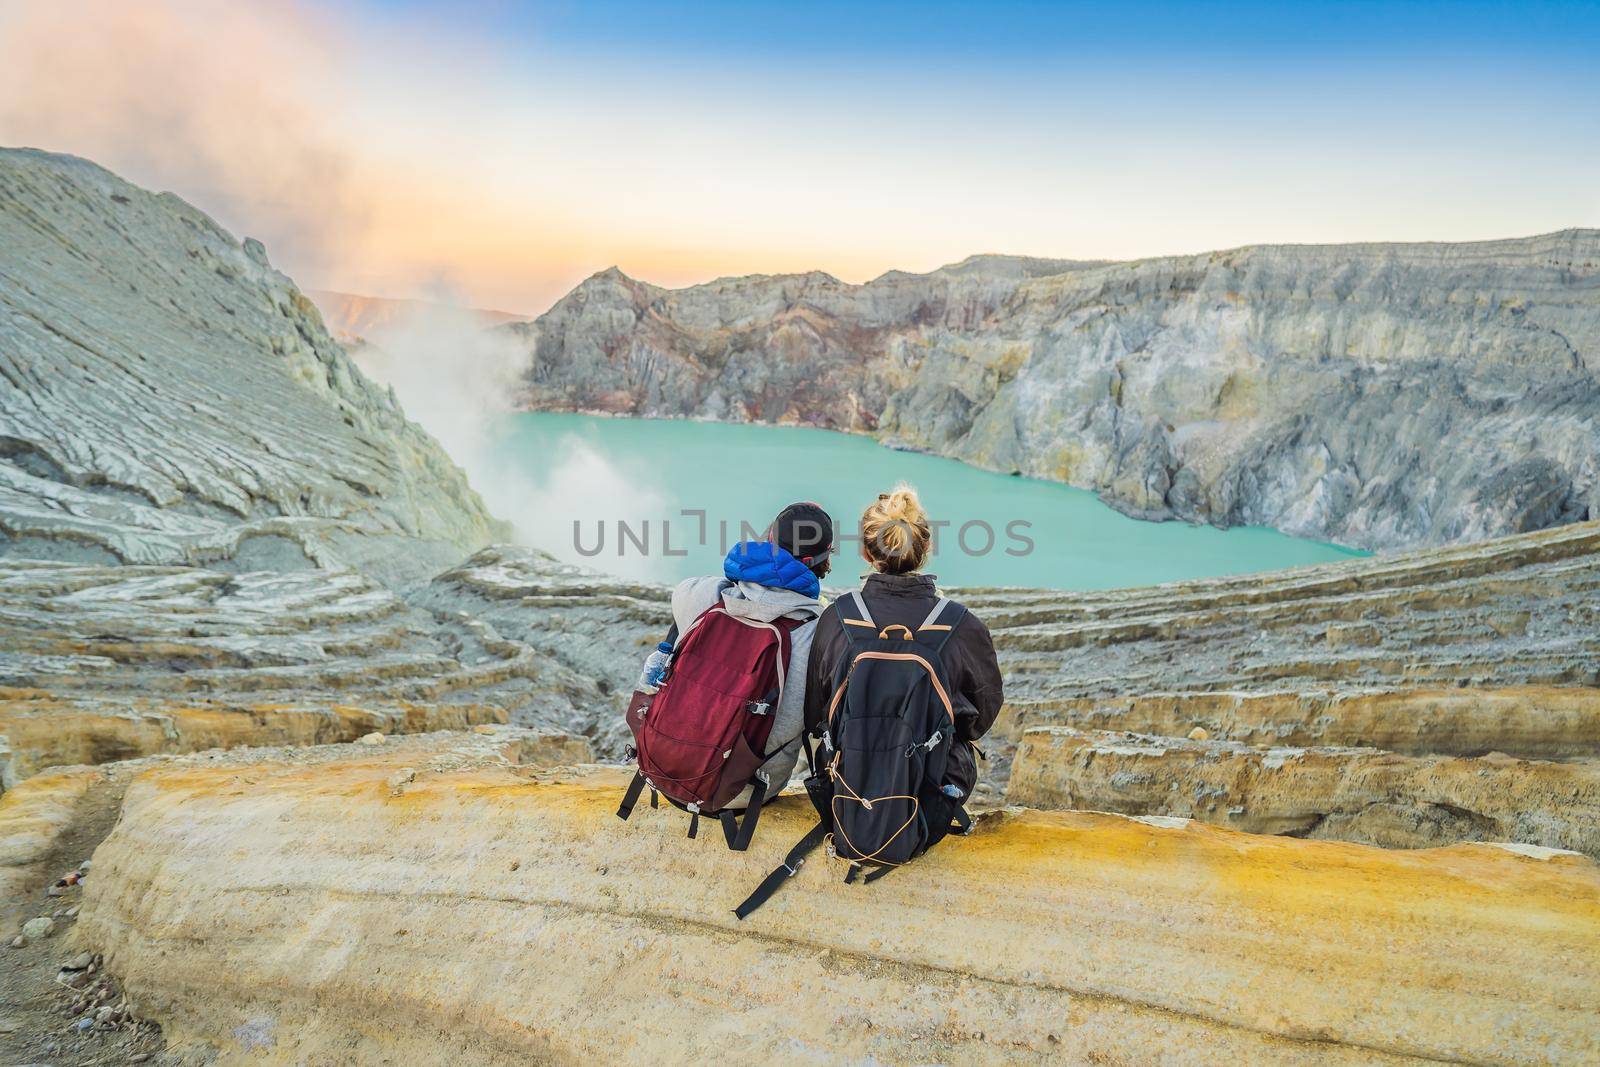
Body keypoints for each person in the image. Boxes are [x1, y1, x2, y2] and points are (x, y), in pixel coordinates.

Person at [802, 485, 1002, 803]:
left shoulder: (837, 618)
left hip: (848, 786)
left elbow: (815, 711)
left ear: (867, 552)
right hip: (932, 791)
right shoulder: (962, 624)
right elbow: (982, 716)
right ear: (926, 548)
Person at [643, 501, 835, 809]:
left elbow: (682, 593)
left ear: (769, 541)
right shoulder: (819, 634)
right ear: (819, 561)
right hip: (744, 792)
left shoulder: (703, 595)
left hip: (666, 768)